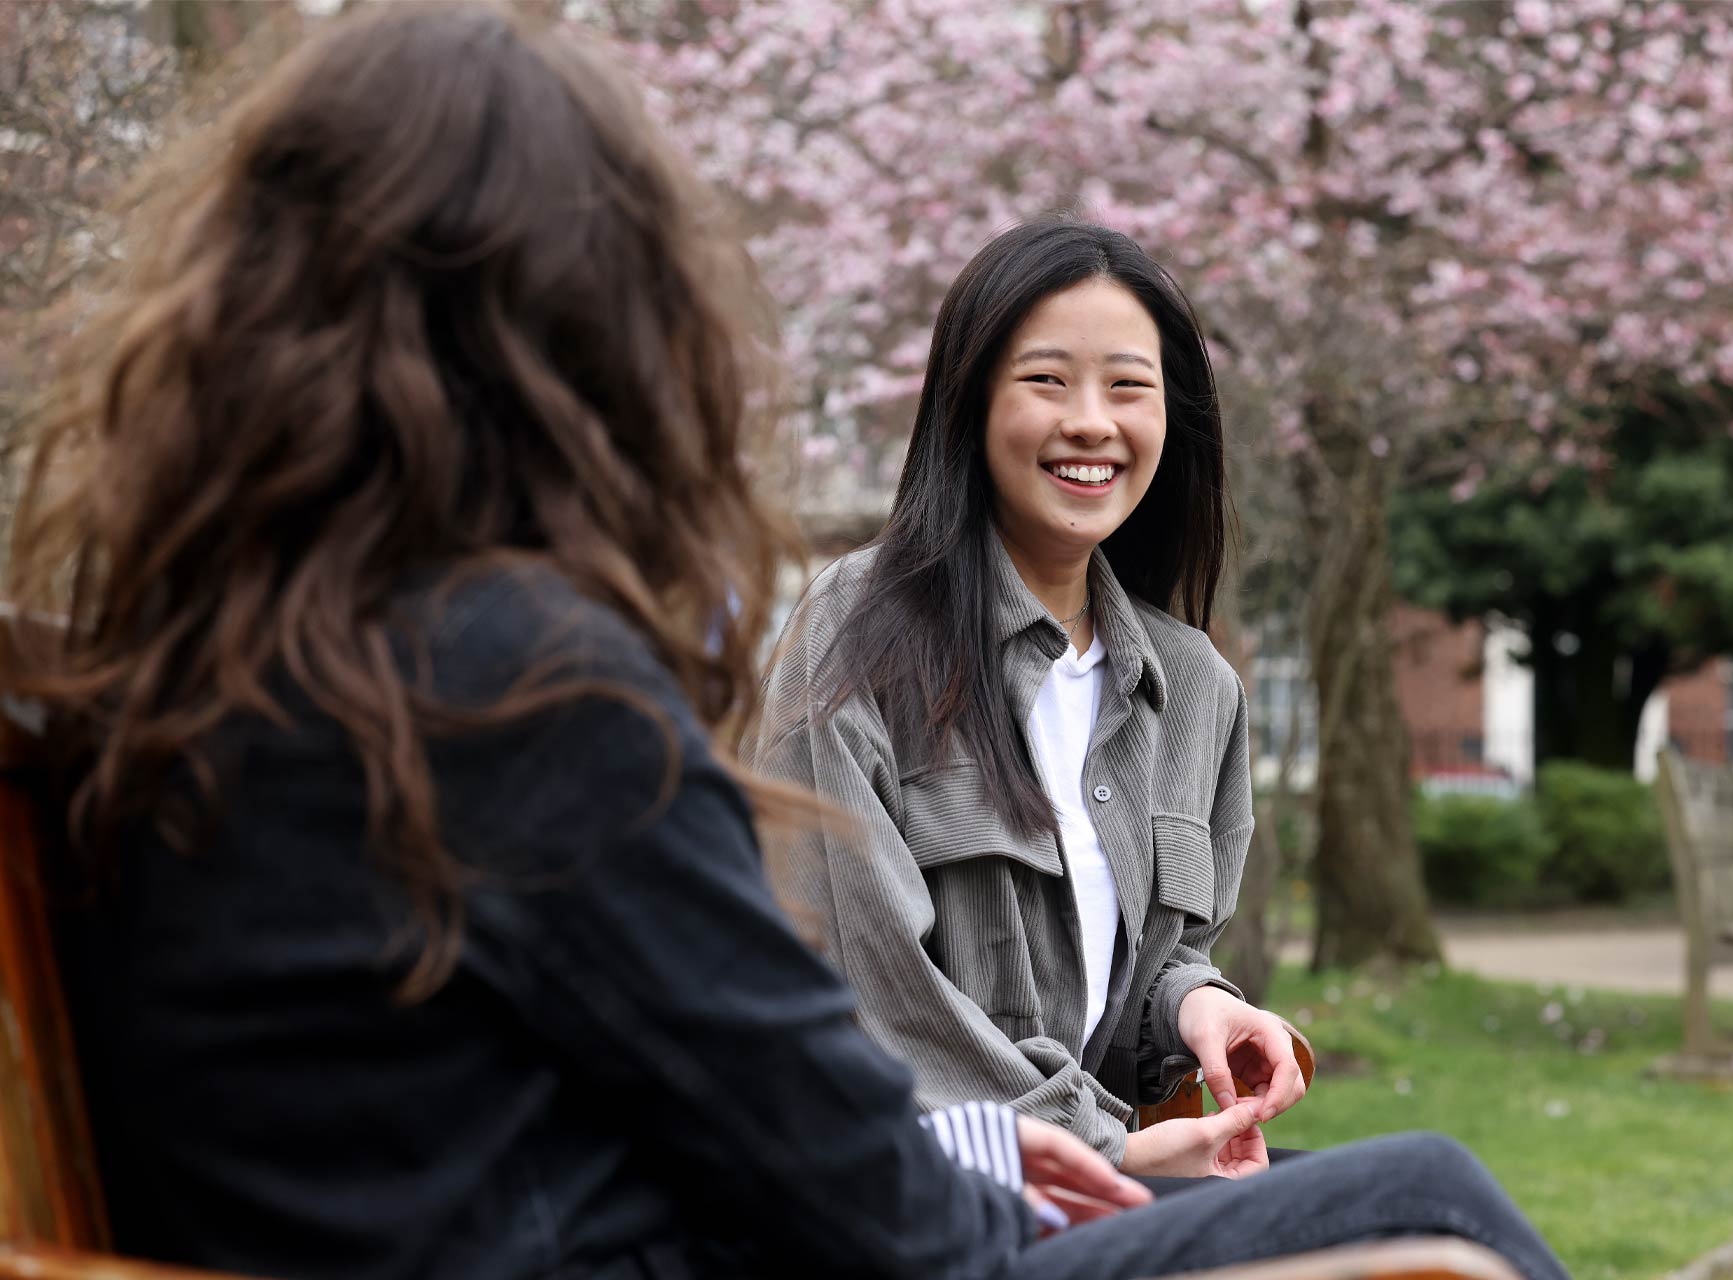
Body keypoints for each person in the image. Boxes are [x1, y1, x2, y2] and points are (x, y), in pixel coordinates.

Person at [7, 5, 1570, 1279]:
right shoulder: (523, 697)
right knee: (1422, 1201)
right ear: (600, 335)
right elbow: (859, 1192)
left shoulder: (189, 673)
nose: (1093, 423)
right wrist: (1042, 1167)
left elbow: (676, 1094)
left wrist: (990, 1140)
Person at [747, 218, 1308, 1182]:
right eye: (1047, 380)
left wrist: (1195, 1008)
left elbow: (1138, 980)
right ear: (969, 406)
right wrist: (1107, 1150)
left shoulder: (1195, 690)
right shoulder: (862, 628)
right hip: (908, 1185)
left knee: (1411, 1210)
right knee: (1421, 1190)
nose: (1091, 421)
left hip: (1099, 1179)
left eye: (1128, 386)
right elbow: (868, 988)